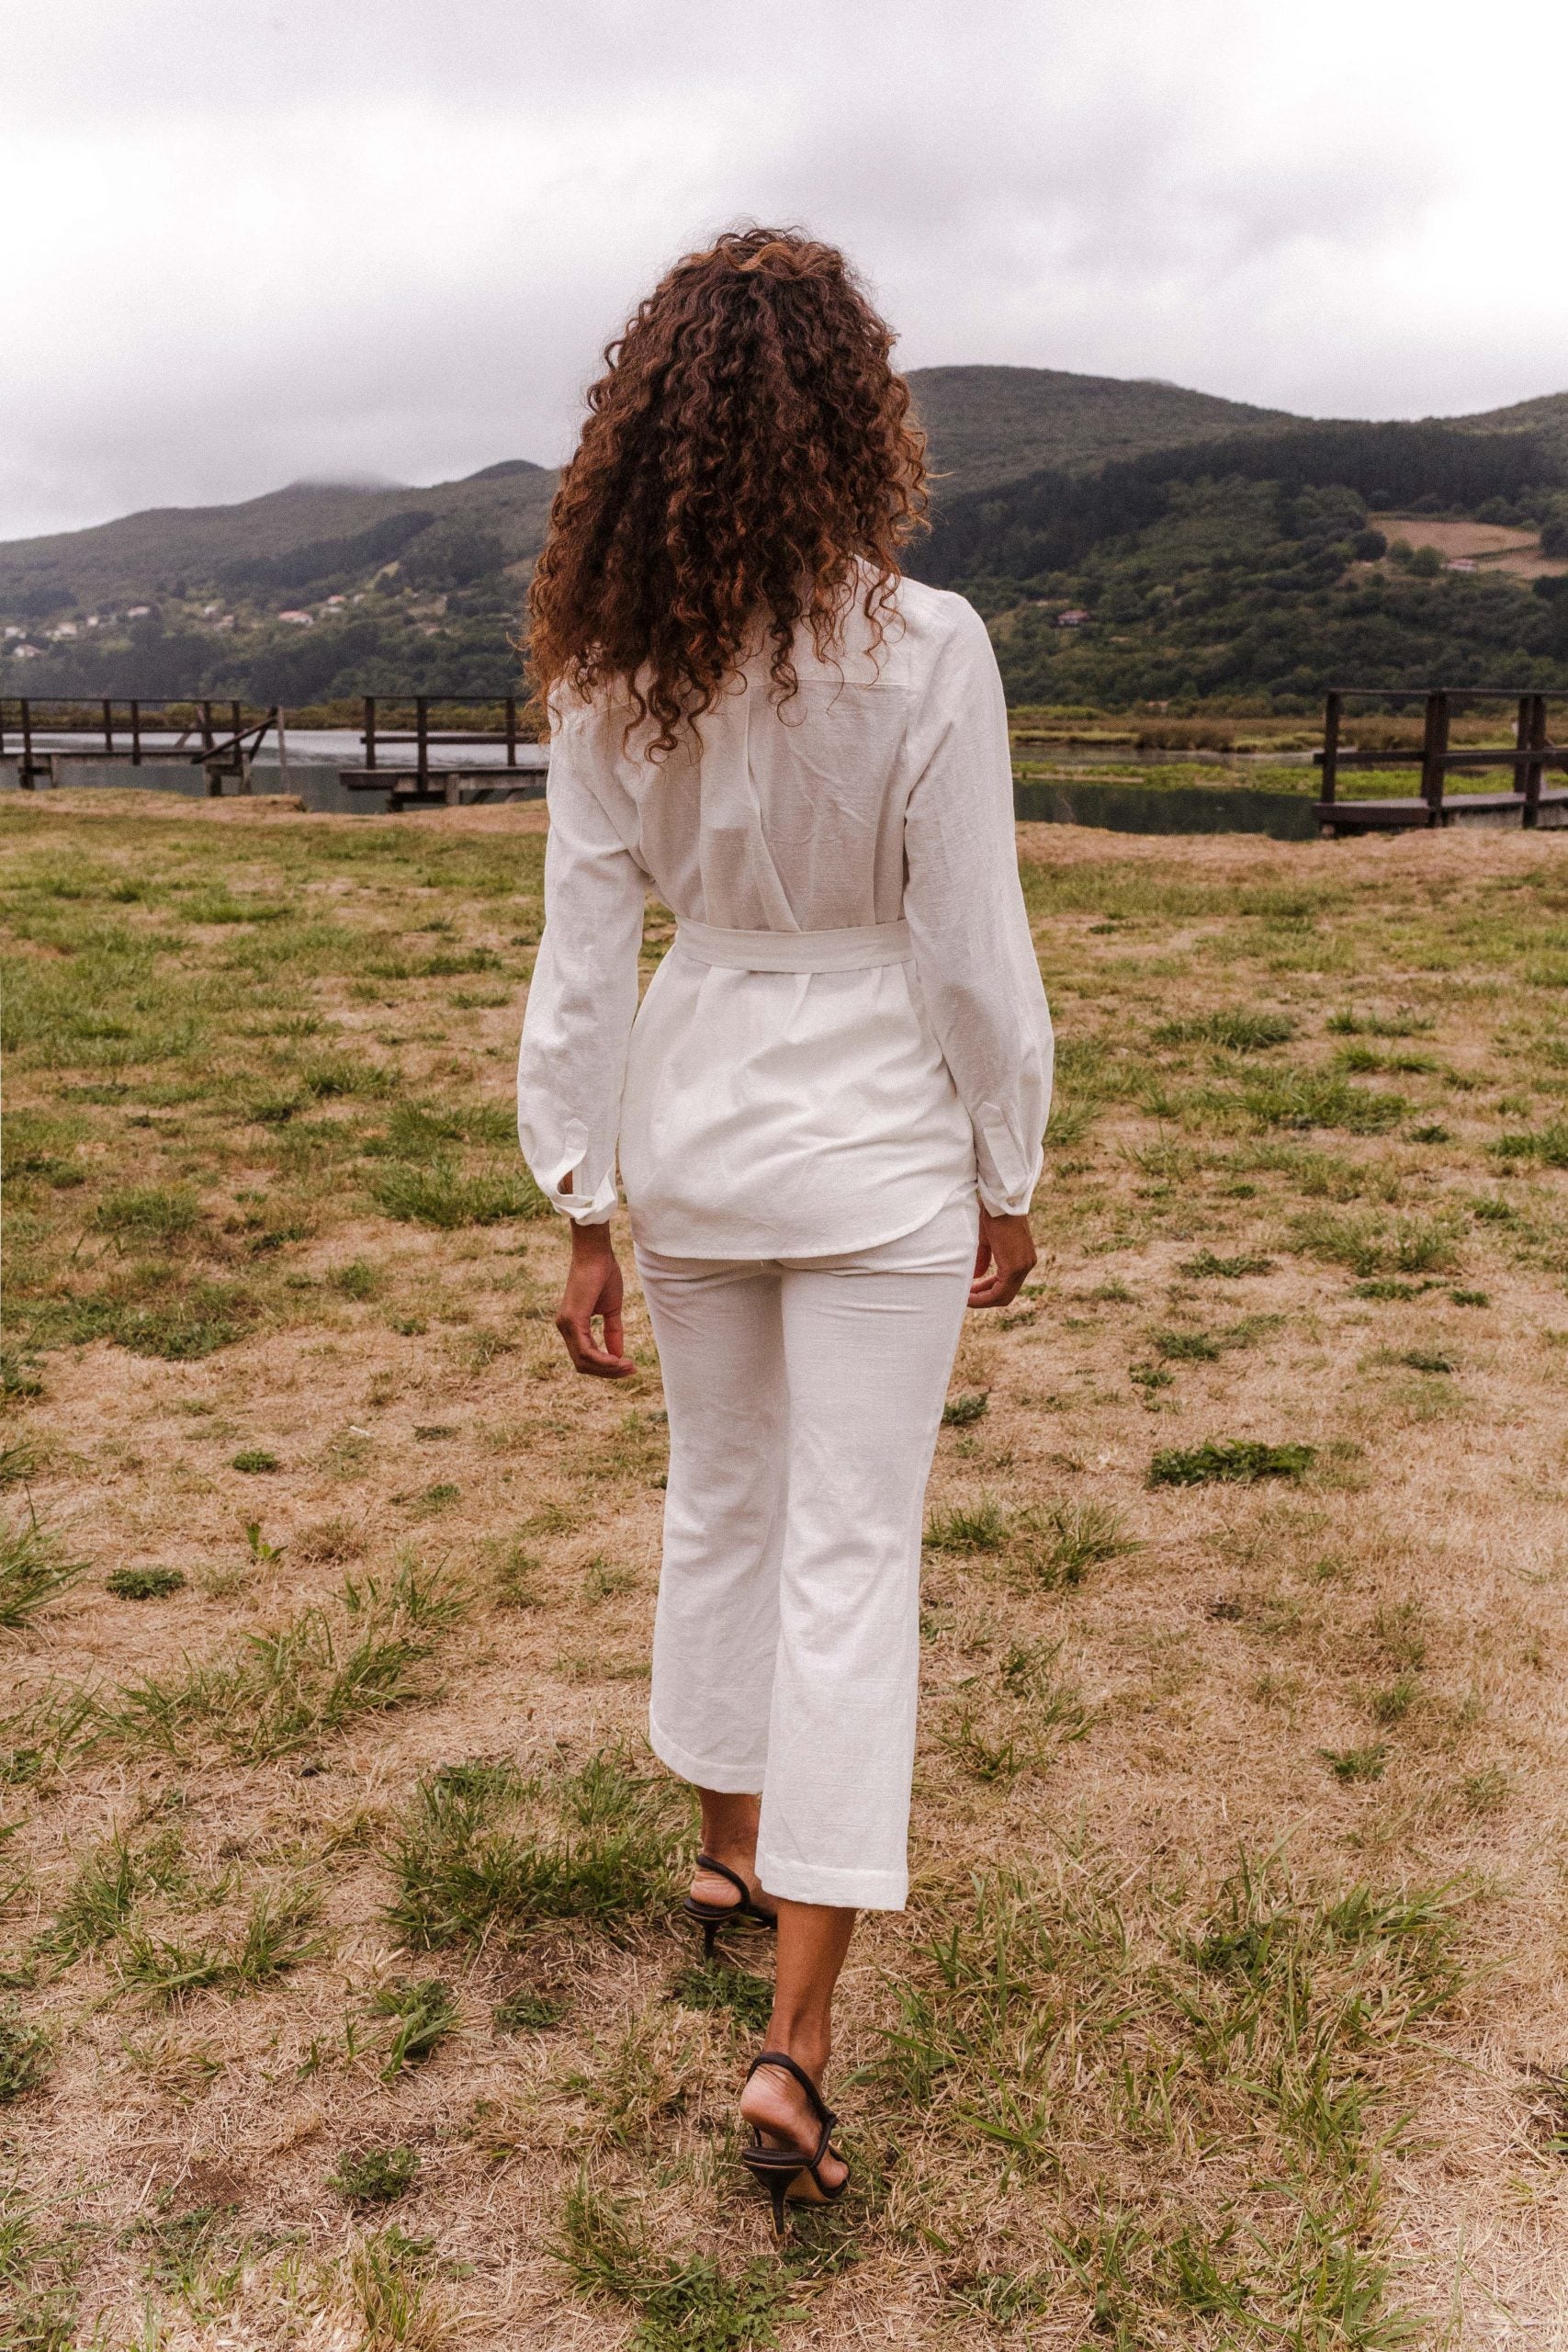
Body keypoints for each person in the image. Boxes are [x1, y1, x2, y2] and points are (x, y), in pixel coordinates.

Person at [516, 225, 1052, 2229]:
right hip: (872, 1134)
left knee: (718, 1493)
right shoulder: (928, 647)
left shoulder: (612, 666)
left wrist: (578, 1200)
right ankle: (796, 2041)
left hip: (700, 1109)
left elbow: (583, 950)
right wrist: (1009, 1157)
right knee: (845, 1550)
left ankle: (724, 1841)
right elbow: (972, 953)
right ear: (855, 423)